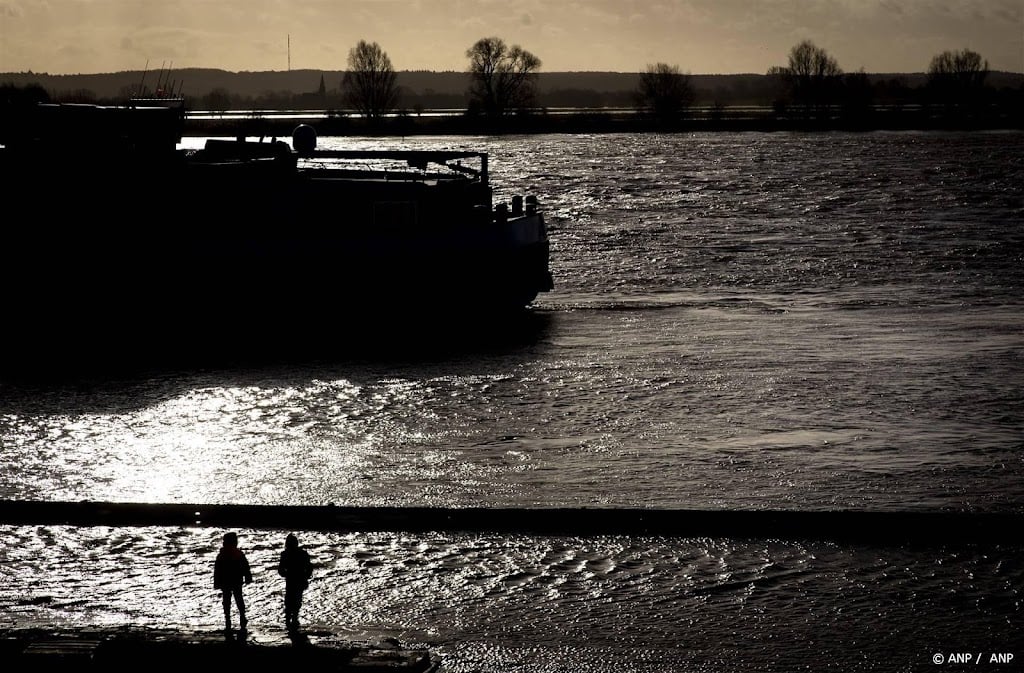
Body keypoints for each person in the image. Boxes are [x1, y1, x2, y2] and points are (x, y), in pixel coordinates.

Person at [214, 531, 253, 632]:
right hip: (236, 580)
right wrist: (248, 577)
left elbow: (217, 570)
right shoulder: (238, 554)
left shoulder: (221, 555)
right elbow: (246, 567)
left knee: (227, 600)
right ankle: (242, 616)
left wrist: (217, 582)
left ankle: (228, 618)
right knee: (239, 598)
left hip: (225, 581)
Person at [277, 533, 313, 630]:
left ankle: (288, 618)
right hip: (300, 579)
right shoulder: (303, 554)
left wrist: (285, 574)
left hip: (291, 579)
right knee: (297, 599)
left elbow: (280, 569)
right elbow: (309, 567)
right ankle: (294, 618)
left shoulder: (285, 554)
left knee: (289, 599)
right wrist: (306, 577)